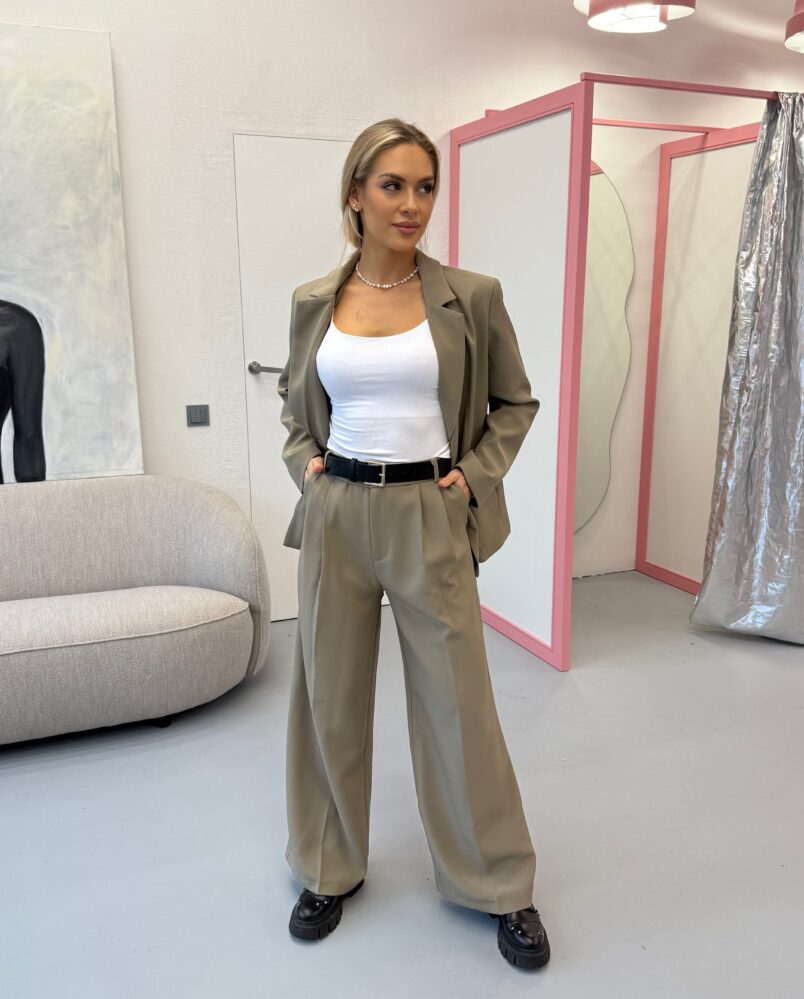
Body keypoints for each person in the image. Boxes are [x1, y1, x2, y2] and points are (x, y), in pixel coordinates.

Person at [277, 118, 549, 970]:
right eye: (392, 185)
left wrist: (473, 477)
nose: (412, 204)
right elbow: (294, 408)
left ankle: (497, 881)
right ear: (355, 193)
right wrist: (306, 467)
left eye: (425, 186)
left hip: (429, 511)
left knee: (457, 704)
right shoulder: (315, 301)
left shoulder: (471, 295)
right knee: (327, 697)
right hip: (337, 512)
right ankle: (327, 865)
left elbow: (515, 402)